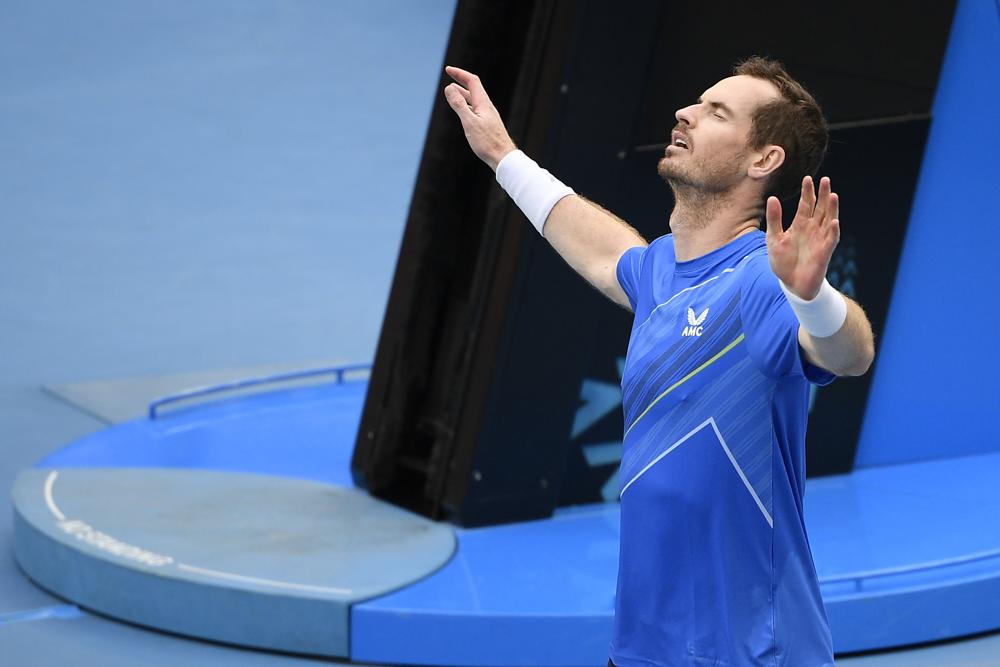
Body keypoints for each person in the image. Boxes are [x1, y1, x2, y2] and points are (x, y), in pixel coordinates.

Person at [443, 56, 874, 667]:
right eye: (698, 102)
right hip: (644, 650)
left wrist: (813, 298)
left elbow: (850, 354)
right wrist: (503, 156)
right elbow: (600, 246)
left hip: (754, 654)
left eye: (716, 112)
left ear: (763, 160)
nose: (685, 113)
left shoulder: (760, 279)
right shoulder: (659, 271)